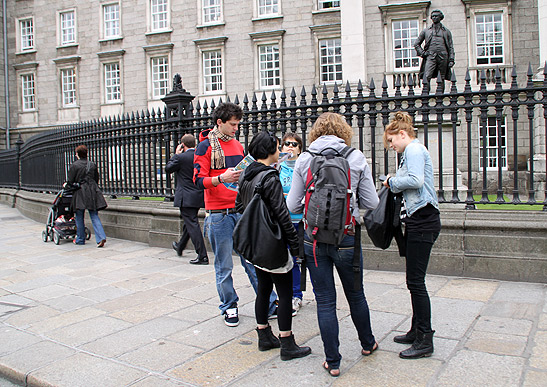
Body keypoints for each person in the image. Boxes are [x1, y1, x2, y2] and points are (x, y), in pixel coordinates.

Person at [287, 112, 379, 377]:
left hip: (313, 240)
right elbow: (372, 204)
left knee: (325, 300)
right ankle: (367, 343)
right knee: (356, 294)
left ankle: (333, 361)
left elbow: (292, 205)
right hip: (347, 237)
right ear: (344, 131)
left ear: (316, 132)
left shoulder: (304, 159)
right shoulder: (356, 157)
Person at [194, 102, 277, 327]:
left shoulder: (238, 146)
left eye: (238, 124)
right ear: (219, 122)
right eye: (232, 124)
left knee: (252, 260)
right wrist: (222, 178)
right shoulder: (204, 147)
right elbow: (197, 180)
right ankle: (229, 306)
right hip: (218, 214)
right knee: (224, 265)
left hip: (240, 209)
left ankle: (269, 303)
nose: (236, 128)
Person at [235, 131, 311, 361]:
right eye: (277, 147)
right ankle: (287, 342)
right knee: (286, 292)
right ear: (269, 151)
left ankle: (263, 335)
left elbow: (239, 206)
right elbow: (282, 213)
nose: (280, 151)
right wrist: (295, 244)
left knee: (264, 289)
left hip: (256, 244)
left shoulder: (247, 175)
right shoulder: (270, 177)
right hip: (273, 244)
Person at [382, 111, 441, 359]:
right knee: (414, 280)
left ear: (402, 134)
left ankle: (425, 339)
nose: (391, 146)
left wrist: (391, 182)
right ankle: (417, 330)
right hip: (420, 221)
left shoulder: (414, 151)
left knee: (416, 282)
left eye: (392, 140)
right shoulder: (411, 152)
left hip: (423, 221)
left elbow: (416, 180)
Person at [166, 134, 208, 264]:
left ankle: (202, 256)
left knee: (192, 223)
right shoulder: (198, 156)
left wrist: (176, 154)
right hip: (197, 195)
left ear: (182, 145)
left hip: (186, 196)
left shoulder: (180, 157)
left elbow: (168, 169)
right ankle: (180, 246)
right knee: (190, 222)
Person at [279, 133, 304, 314]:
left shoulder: (303, 167)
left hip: (300, 221)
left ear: (300, 149)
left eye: (294, 144)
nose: (290, 147)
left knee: (297, 260)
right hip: (282, 220)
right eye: (286, 144)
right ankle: (284, 295)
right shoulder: (277, 168)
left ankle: (296, 295)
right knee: (282, 260)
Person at [66, 145, 107, 247]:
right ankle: (101, 237)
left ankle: (80, 239)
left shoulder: (74, 165)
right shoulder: (92, 164)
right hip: (92, 191)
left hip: (80, 192)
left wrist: (67, 185)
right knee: (94, 215)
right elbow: (96, 178)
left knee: (79, 216)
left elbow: (70, 181)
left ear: (78, 154)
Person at [413, 9, 455, 90]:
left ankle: (440, 96)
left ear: (440, 17)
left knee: (441, 77)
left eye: (436, 16)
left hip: (443, 55)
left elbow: (450, 47)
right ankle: (426, 95)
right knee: (427, 76)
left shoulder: (446, 31)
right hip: (431, 55)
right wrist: (423, 53)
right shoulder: (426, 31)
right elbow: (416, 44)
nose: (434, 18)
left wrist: (451, 59)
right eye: (433, 16)